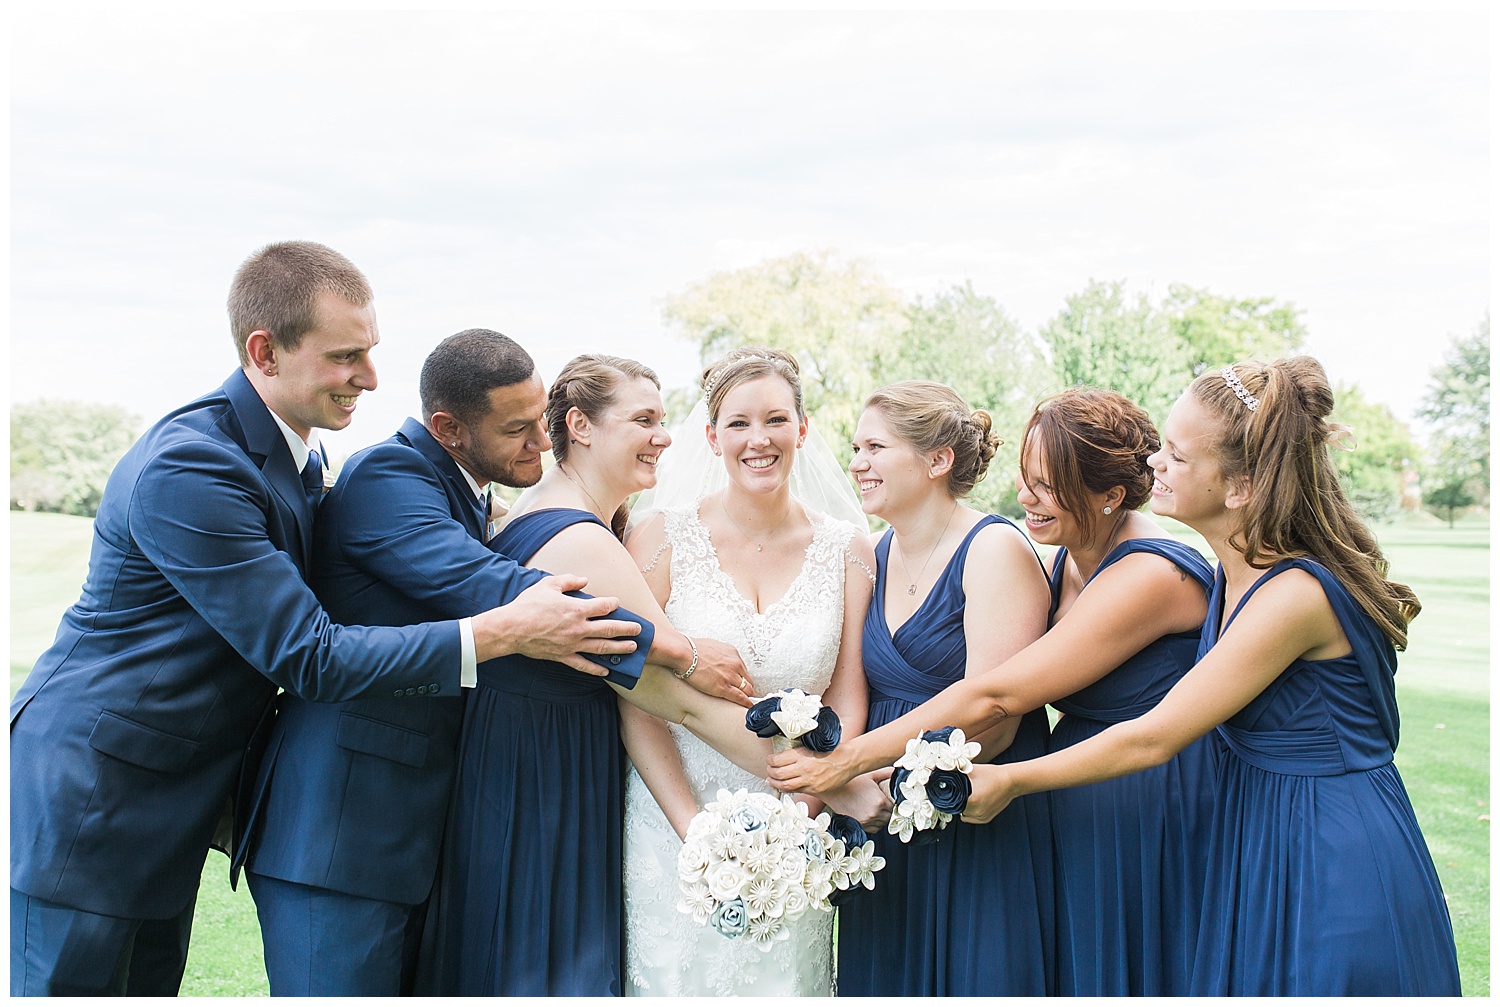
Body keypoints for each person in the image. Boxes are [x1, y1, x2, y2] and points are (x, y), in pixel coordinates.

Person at [8, 243, 644, 997]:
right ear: (264, 351)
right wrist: (507, 629)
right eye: (347, 356)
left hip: (174, 803)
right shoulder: (193, 465)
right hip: (93, 801)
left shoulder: (300, 460)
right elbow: (309, 654)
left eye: (370, 352)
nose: (372, 379)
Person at [240, 329, 753, 995]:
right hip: (340, 830)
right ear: (449, 428)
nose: (541, 444)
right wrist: (679, 651)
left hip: (420, 824)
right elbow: (501, 589)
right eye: (518, 431)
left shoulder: (469, 491)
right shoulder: (388, 477)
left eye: (538, 423)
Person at [928, 358, 1460, 995]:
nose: (1154, 462)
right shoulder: (1238, 573)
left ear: (1238, 487)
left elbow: (1154, 736)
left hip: (1327, 844)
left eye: (1177, 456)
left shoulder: (1295, 593)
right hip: (1254, 828)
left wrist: (1011, 779)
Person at [768, 387, 1217, 995]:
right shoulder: (1068, 559)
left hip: (1144, 799)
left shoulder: (1148, 574)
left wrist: (850, 763)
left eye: (1048, 485)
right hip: (1071, 794)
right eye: (1025, 478)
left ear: (1110, 496)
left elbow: (998, 700)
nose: (1025, 498)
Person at [421, 354, 781, 996]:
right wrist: (832, 775)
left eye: (663, 419)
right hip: (541, 780)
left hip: (532, 761)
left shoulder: (560, 516)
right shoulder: (580, 541)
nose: (663, 437)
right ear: (581, 426)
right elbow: (680, 701)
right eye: (643, 420)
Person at [619, 347, 878, 996]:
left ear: (803, 428)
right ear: (711, 437)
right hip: (669, 815)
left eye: (775, 419)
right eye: (737, 423)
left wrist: (805, 810)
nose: (757, 439)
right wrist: (694, 833)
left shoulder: (848, 548)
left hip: (797, 822)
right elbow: (637, 696)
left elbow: (846, 690)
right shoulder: (659, 538)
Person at [834, 381, 1055, 996]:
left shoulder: (994, 548)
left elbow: (997, 717)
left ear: (937, 460)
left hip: (972, 817)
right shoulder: (873, 554)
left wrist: (881, 780)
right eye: (856, 446)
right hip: (880, 826)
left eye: (875, 446)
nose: (857, 462)